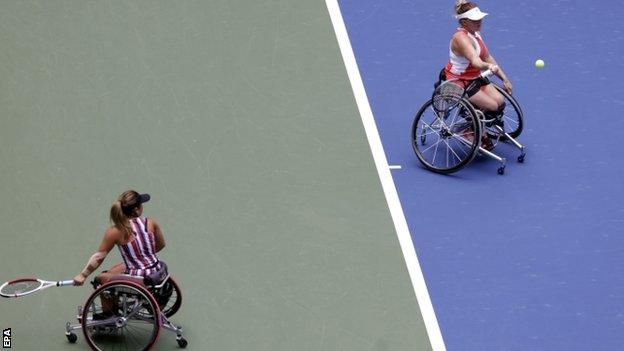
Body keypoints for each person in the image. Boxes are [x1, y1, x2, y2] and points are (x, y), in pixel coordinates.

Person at [444, 0, 513, 148]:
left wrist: (504, 78)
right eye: (475, 20)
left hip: (476, 78)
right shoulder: (460, 38)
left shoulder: (476, 34)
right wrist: (488, 66)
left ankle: (476, 124)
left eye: (480, 18)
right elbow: (476, 62)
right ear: (464, 21)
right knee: (492, 106)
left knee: (500, 102)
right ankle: (469, 129)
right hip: (459, 81)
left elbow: (488, 57)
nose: (479, 21)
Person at [73, 190, 166, 287]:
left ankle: (111, 302)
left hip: (141, 279)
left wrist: (82, 275)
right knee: (117, 268)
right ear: (137, 210)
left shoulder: (115, 231)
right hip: (157, 271)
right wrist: (142, 255)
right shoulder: (150, 222)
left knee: (100, 279)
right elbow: (161, 245)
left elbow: (98, 257)